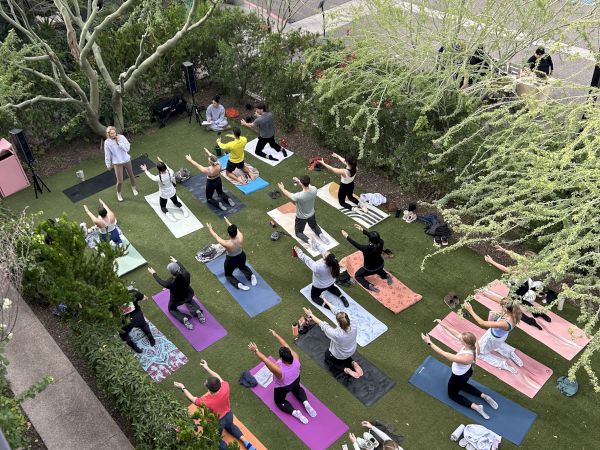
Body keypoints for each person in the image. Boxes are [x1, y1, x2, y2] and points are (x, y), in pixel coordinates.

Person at [174, 360, 256, 450]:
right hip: (228, 415)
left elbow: (192, 399)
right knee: (231, 426)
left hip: (217, 423)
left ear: (209, 390)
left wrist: (183, 387)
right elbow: (218, 377)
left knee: (215, 439)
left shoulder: (206, 401)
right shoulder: (225, 386)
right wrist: (207, 367)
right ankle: (247, 443)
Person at [421, 323, 498, 419]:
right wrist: (443, 324)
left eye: (461, 340)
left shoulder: (465, 357)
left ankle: (477, 407)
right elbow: (458, 334)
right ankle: (484, 396)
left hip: (458, 377)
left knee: (452, 394)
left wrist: (428, 342)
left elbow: (444, 353)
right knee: (463, 385)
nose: (459, 339)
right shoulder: (475, 344)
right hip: (468, 372)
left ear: (466, 343)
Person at [247, 329, 317, 424]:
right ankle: (306, 403)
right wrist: (276, 335)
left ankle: (295, 412)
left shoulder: (278, 370)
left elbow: (265, 360)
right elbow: (286, 345)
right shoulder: (295, 356)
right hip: (296, 380)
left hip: (284, 388)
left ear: (282, 359)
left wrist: (255, 350)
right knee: (297, 389)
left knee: (279, 401)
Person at [482, 247, 552, 329]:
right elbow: (516, 255)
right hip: (525, 286)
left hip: (518, 288)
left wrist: (491, 261)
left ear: (526, 259)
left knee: (510, 306)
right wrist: (503, 250)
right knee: (522, 301)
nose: (522, 256)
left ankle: (530, 321)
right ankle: (538, 313)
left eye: (524, 256)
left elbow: (506, 270)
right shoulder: (530, 264)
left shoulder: (524, 269)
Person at [303, 305, 362, 378]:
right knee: (345, 355)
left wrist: (310, 315)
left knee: (328, 357)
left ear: (338, 322)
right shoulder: (354, 324)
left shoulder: (337, 335)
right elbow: (338, 313)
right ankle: (353, 363)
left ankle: (346, 370)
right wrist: (326, 301)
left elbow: (323, 325)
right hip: (351, 350)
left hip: (340, 354)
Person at [463, 300, 523, 374]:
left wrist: (470, 310)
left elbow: (482, 323)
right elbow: (501, 301)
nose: (501, 308)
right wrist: (485, 294)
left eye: (503, 308)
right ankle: (510, 353)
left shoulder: (504, 323)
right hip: (501, 336)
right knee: (498, 345)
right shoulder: (515, 313)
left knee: (479, 353)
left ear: (507, 310)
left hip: (492, 338)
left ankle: (502, 365)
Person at [148, 256, 205, 330]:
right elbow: (183, 268)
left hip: (178, 300)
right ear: (178, 268)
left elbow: (161, 282)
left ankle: (183, 318)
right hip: (188, 294)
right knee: (189, 300)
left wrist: (154, 273)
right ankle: (197, 310)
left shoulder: (170, 283)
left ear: (171, 273)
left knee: (171, 309)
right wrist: (176, 261)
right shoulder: (186, 274)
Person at [293, 242, 349, 308]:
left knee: (314, 297)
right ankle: (342, 297)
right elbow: (323, 251)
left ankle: (330, 307)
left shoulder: (318, 267)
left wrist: (299, 251)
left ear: (325, 259)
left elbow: (306, 259)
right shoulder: (334, 260)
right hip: (331, 282)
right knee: (332, 288)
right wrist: (314, 243)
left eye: (325, 254)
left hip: (319, 287)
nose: (325, 252)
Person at [206, 217, 257, 291]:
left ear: (228, 234)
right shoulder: (240, 236)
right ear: (236, 232)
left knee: (228, 274)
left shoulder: (227, 243)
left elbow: (216, 236)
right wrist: (228, 222)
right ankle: (251, 275)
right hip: (242, 256)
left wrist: (210, 228)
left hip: (231, 260)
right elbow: (236, 229)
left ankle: (238, 284)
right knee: (242, 266)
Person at [278, 175, 329, 245]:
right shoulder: (314, 189)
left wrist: (282, 188)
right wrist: (299, 181)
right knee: (314, 226)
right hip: (311, 214)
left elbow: (288, 194)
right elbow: (308, 186)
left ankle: (309, 241)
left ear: (302, 183)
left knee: (298, 232)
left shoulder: (299, 196)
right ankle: (321, 235)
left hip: (301, 218)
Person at [341, 224, 392, 293]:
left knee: (357, 276)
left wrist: (346, 236)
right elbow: (375, 238)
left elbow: (355, 243)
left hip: (370, 269)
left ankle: (369, 285)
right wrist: (362, 229)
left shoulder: (366, 248)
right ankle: (386, 275)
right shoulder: (381, 242)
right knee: (378, 270)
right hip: (381, 264)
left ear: (370, 240)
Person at [141, 157, 189, 222]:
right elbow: (167, 167)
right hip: (172, 191)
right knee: (176, 202)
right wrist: (161, 161)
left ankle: (169, 215)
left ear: (159, 170)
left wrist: (145, 170)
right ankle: (183, 209)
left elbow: (151, 176)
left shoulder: (158, 178)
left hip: (164, 194)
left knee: (163, 207)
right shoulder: (171, 172)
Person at [104, 126, 138, 202]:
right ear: (108, 134)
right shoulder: (107, 142)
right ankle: (118, 193)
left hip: (126, 160)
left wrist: (119, 142)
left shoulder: (121, 137)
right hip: (117, 163)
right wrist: (108, 164)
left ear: (116, 132)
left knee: (131, 175)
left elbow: (127, 148)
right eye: (111, 133)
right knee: (120, 181)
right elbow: (107, 154)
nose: (113, 135)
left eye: (114, 133)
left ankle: (133, 188)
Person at [120, 287, 155, 353]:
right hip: (137, 317)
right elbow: (145, 298)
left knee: (124, 335)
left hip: (124, 322)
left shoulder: (108, 301)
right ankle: (151, 338)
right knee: (144, 325)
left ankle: (135, 348)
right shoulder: (132, 292)